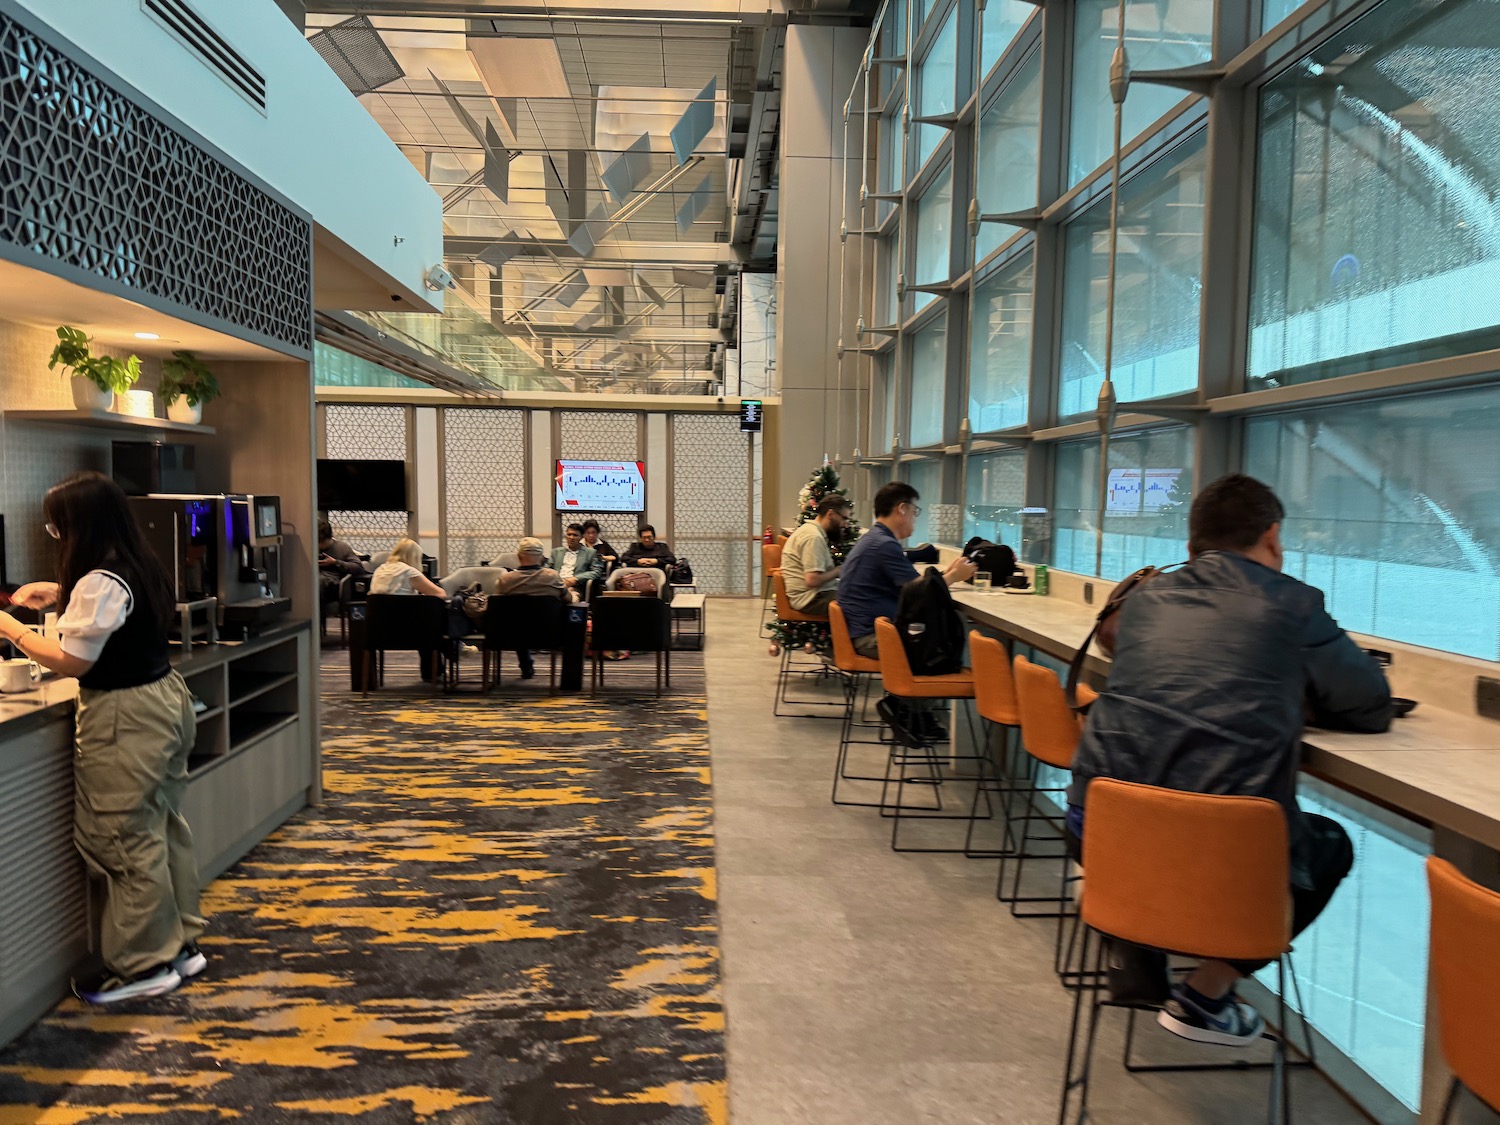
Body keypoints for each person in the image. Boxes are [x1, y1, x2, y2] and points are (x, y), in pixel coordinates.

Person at [1067, 473, 1392, 1047]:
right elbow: (1369, 705)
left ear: (1190, 549)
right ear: (1272, 536)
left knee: (1166, 800)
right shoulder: (1292, 604)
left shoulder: (1142, 603)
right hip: (1213, 857)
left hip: (1099, 831)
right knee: (1330, 845)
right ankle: (1206, 993)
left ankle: (1132, 930)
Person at [0, 472, 205, 1003]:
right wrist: (62, 594)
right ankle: (178, 944)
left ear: (77, 525)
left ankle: (144, 966)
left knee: (120, 836)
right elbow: (110, 612)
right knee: (157, 825)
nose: (53, 534)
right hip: (162, 700)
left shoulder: (98, 580)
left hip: (125, 715)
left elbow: (74, 660)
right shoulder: (133, 559)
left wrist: (12, 629)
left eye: (55, 525)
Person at [838, 482, 976, 737]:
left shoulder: (875, 539)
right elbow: (920, 593)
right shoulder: (883, 545)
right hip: (871, 638)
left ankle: (912, 710)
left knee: (934, 636)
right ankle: (907, 708)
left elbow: (916, 588)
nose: (915, 518)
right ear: (902, 509)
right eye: (915, 511)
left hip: (863, 631)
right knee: (943, 644)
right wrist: (955, 576)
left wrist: (948, 574)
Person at [493, 537, 571, 679]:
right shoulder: (552, 577)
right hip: (549, 633)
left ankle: (525, 665)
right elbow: (568, 599)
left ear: (518, 556)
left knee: (519, 619)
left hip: (511, 635)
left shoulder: (505, 580)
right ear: (541, 557)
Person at [780, 496, 851, 614]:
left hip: (816, 594)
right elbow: (812, 580)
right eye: (844, 518)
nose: (845, 525)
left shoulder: (812, 531)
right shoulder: (813, 537)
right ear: (831, 514)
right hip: (810, 598)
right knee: (861, 603)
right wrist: (838, 570)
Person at [370, 539, 447, 598]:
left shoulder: (380, 569)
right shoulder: (408, 572)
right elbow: (440, 594)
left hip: (379, 617)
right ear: (415, 557)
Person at [317, 519, 364, 615]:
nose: (318, 545)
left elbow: (358, 568)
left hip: (332, 583)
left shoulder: (342, 548)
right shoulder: (310, 547)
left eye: (321, 542)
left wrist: (335, 562)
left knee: (319, 581)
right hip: (312, 578)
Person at [549, 523, 604, 599]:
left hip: (574, 587)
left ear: (581, 537)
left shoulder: (590, 553)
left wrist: (576, 579)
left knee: (567, 597)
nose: (571, 537)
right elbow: (547, 569)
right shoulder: (556, 552)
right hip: (555, 585)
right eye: (569, 534)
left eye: (575, 535)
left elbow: (596, 572)